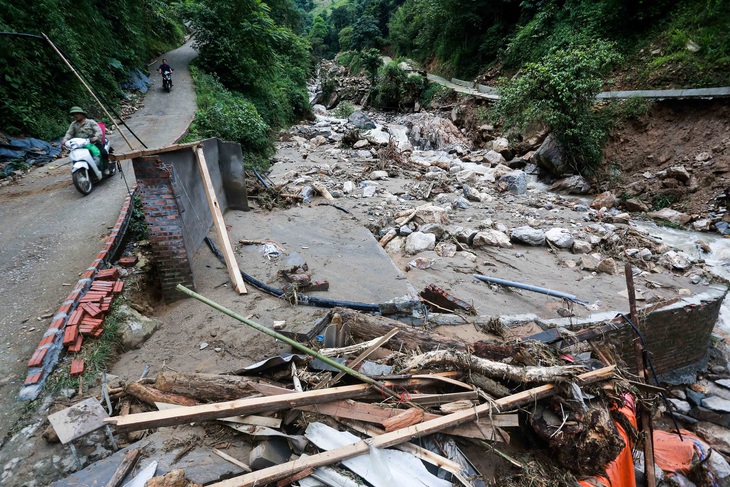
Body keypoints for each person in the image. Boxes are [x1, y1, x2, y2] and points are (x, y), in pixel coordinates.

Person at [62, 106, 108, 171]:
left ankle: (106, 167)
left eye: (77, 113)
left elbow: (98, 131)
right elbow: (69, 133)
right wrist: (65, 139)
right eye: (74, 114)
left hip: (93, 143)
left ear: (82, 114)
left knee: (103, 153)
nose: (75, 115)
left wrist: (96, 137)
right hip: (80, 145)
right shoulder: (73, 124)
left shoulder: (91, 122)